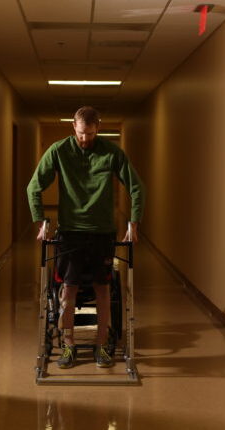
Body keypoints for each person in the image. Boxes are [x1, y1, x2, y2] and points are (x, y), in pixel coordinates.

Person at [27, 106, 145, 369]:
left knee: (103, 289)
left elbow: (136, 187)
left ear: (98, 128)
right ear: (74, 128)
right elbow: (33, 186)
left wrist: (133, 223)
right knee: (69, 290)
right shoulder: (59, 151)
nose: (85, 139)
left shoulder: (111, 152)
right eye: (81, 134)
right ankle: (68, 345)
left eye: (90, 134)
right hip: (71, 232)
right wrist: (41, 222)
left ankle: (102, 344)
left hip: (102, 231)